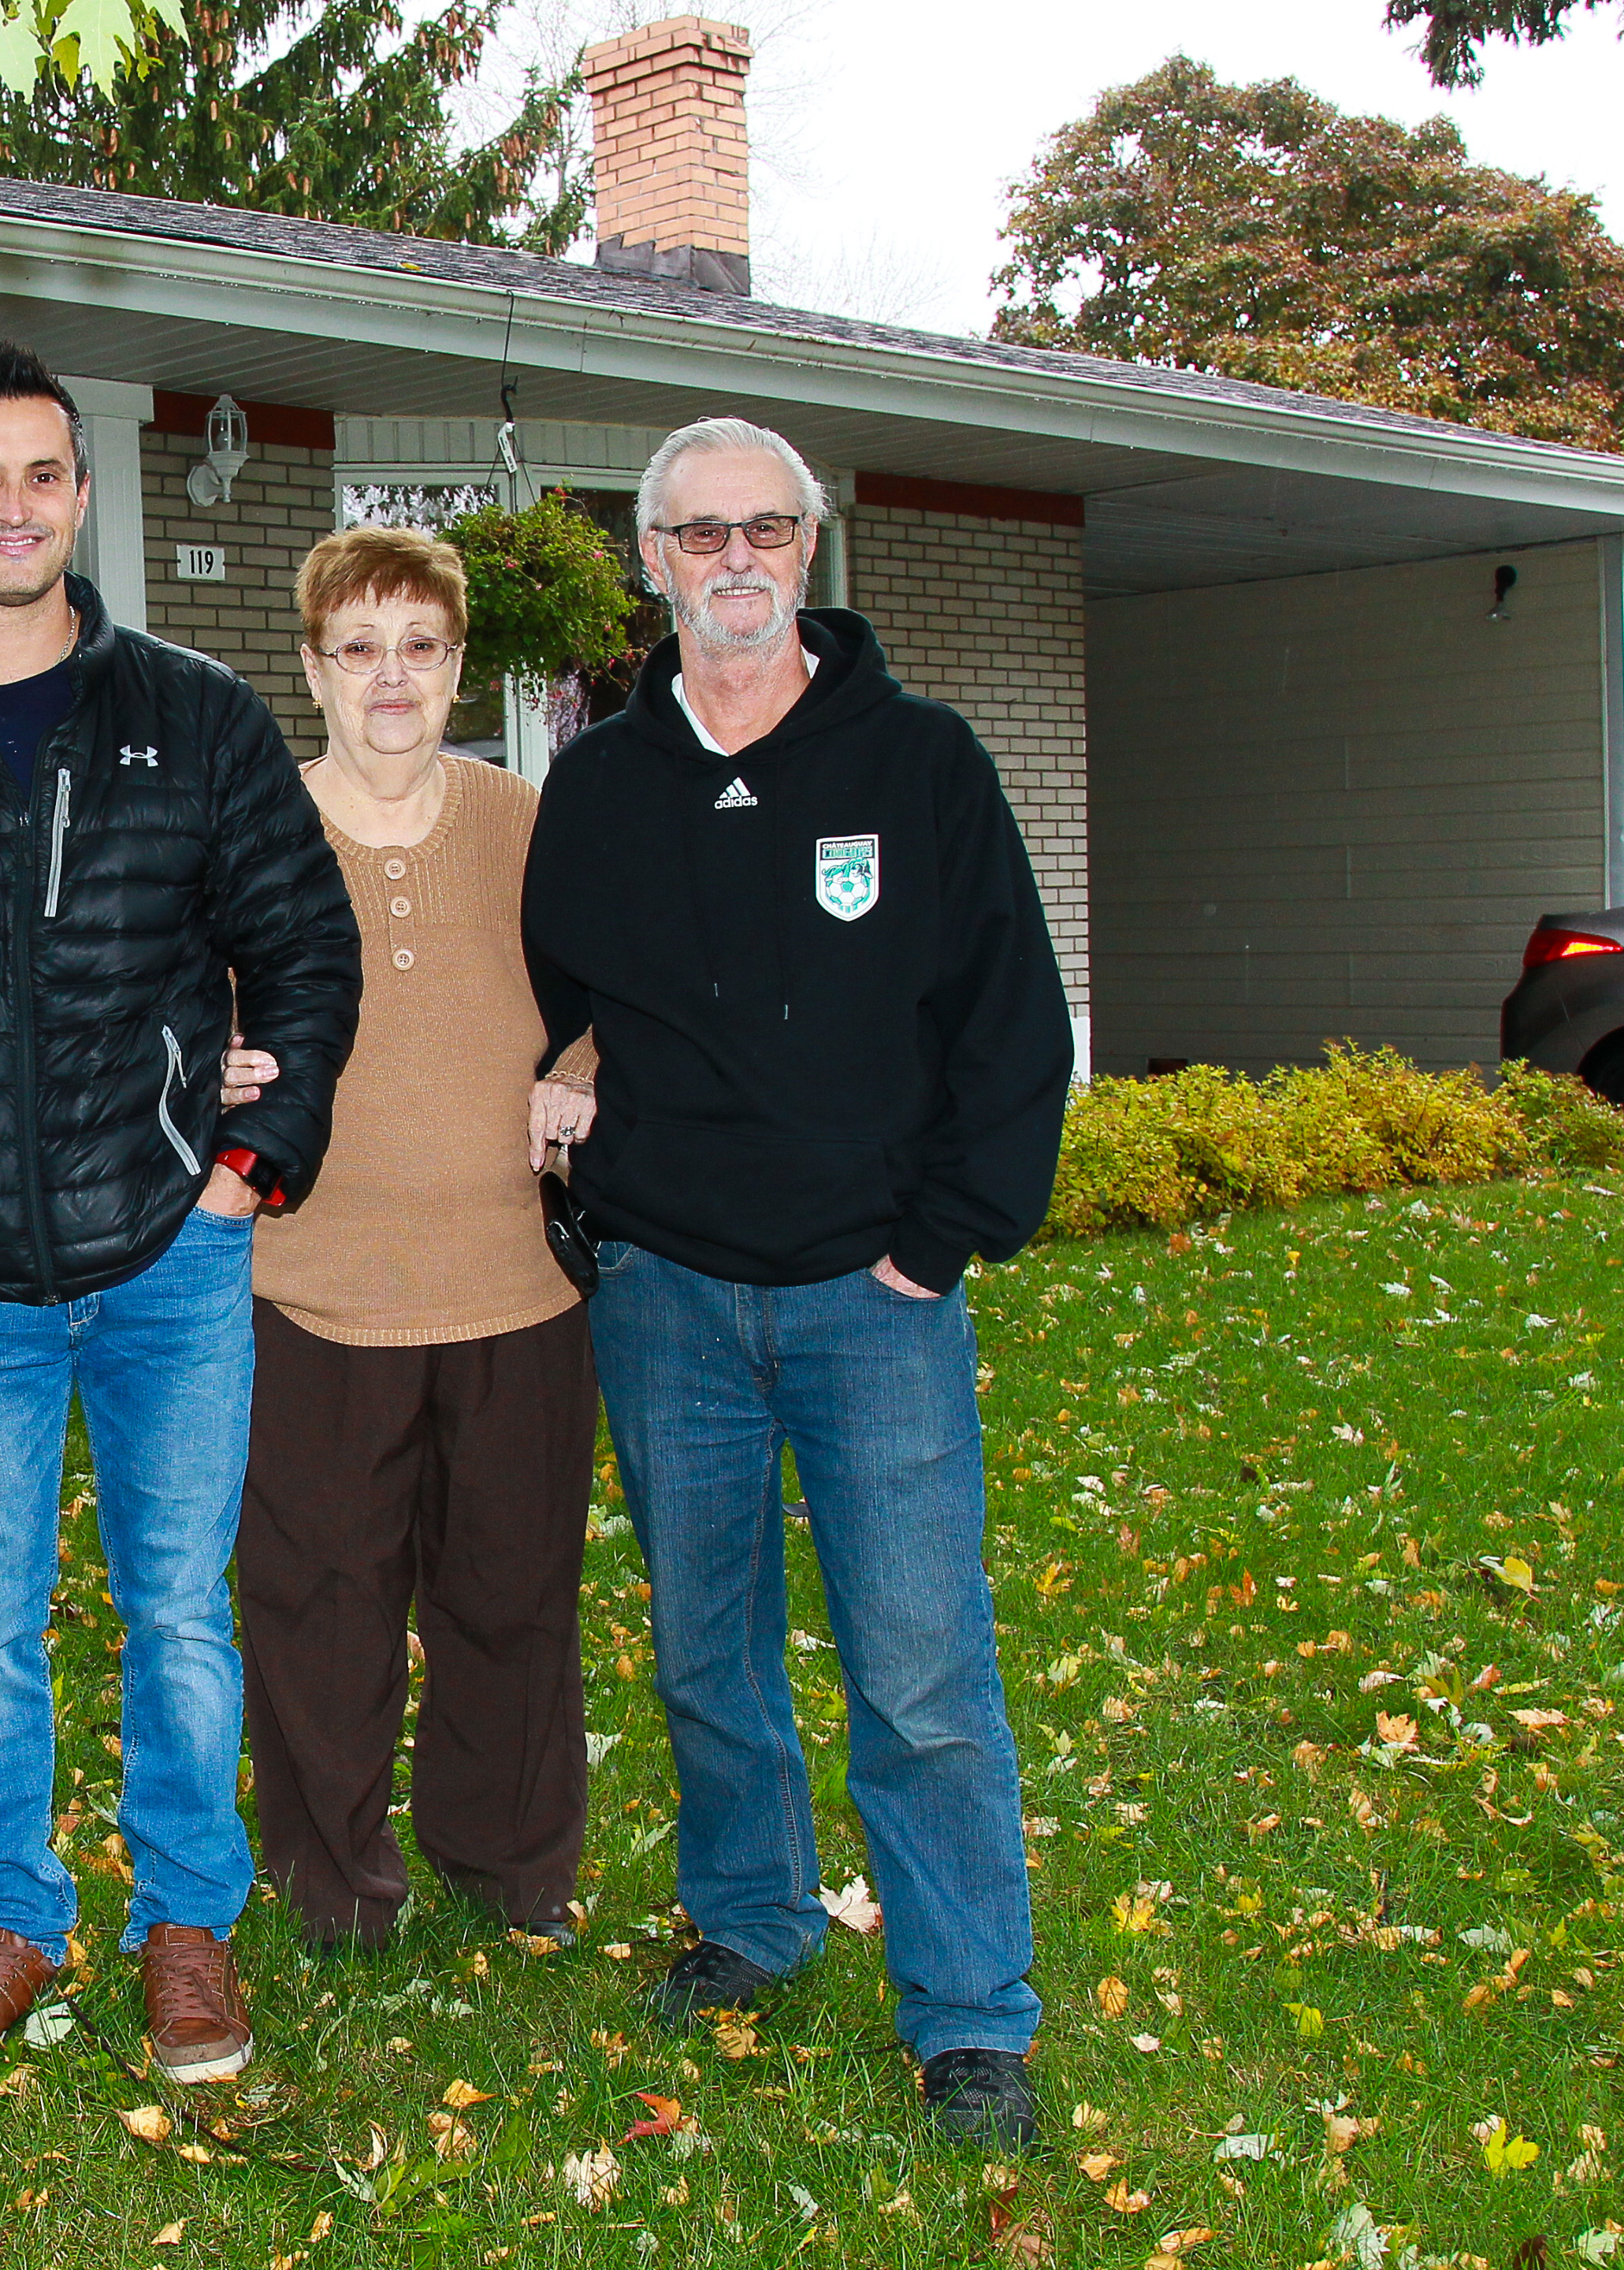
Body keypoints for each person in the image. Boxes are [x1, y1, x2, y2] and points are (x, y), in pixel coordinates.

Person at [521, 415, 1073, 2152]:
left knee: (918, 1672)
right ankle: (754, 1922)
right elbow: (561, 995)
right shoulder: (600, 784)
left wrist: (941, 1239)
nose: (736, 560)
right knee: (707, 1651)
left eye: (765, 528)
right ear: (653, 560)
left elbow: (1012, 1021)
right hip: (668, 1294)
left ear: (810, 548)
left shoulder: (922, 762)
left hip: (872, 1299)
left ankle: (970, 2013)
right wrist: (579, 1094)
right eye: (701, 535)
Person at [0, 343, 362, 2085]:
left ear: (83, 497)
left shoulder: (195, 714)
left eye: (44, 476)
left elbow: (307, 950)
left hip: (168, 1257)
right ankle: (8, 1915)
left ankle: (187, 1926)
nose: (13, 508)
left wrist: (248, 1168)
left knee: (180, 1611)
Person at [231, 526, 604, 1956]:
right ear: (315, 667)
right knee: (319, 1606)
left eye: (420, 648)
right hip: (310, 1288)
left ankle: (508, 1866)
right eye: (360, 648)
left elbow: (613, 990)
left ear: (459, 669)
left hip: (516, 1289)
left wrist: (585, 1070)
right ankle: (331, 1882)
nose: (391, 676)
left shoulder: (524, 821)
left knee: (514, 1600)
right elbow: (177, 1004)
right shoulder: (253, 824)